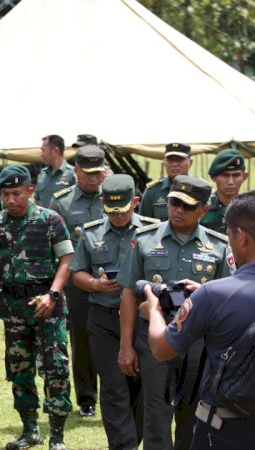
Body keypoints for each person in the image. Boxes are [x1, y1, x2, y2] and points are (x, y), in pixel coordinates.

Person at [117, 175, 233, 450]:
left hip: (198, 341)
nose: (178, 210)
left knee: (192, 413)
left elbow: (229, 298)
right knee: (156, 412)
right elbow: (127, 294)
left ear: (204, 210)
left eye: (188, 206)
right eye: (174, 202)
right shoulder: (144, 239)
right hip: (154, 338)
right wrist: (126, 346)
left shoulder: (219, 246)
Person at [140, 191, 255, 449]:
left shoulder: (213, 295)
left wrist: (154, 310)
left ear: (241, 237)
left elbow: (161, 348)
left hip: (226, 431)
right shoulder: (211, 294)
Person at [0, 165, 74, 450]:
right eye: (5, 194)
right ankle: (30, 431)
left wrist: (53, 294)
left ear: (30, 191)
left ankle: (57, 436)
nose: (10, 200)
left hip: (47, 303)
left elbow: (67, 260)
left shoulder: (50, 220)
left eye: (16, 193)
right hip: (12, 306)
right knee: (19, 368)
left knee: (55, 368)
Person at [70, 174, 158, 449]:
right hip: (105, 319)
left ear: (135, 202)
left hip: (143, 320)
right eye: (111, 211)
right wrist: (96, 284)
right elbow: (77, 274)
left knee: (140, 387)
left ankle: (133, 438)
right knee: (113, 387)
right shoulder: (91, 232)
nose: (117, 216)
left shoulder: (152, 231)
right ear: (101, 203)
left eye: (123, 210)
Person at [49, 145, 107, 419]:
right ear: (76, 171)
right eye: (88, 173)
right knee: (81, 339)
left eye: (98, 172)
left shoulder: (115, 197)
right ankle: (87, 399)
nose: (94, 179)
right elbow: (56, 245)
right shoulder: (62, 202)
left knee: (114, 337)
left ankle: (113, 392)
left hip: (113, 279)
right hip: (77, 281)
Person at [200, 148, 249, 234]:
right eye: (225, 175)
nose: (230, 182)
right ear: (213, 177)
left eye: (236, 175)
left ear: (244, 177)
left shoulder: (249, 208)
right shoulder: (200, 206)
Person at [139, 143, 193, 221]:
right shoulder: (153, 191)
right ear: (164, 161)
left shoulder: (200, 189)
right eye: (170, 160)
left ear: (190, 162)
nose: (174, 164)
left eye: (180, 159)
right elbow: (144, 224)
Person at [35, 134, 75, 208]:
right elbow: (37, 201)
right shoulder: (42, 174)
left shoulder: (72, 174)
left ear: (55, 151)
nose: (41, 154)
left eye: (43, 150)